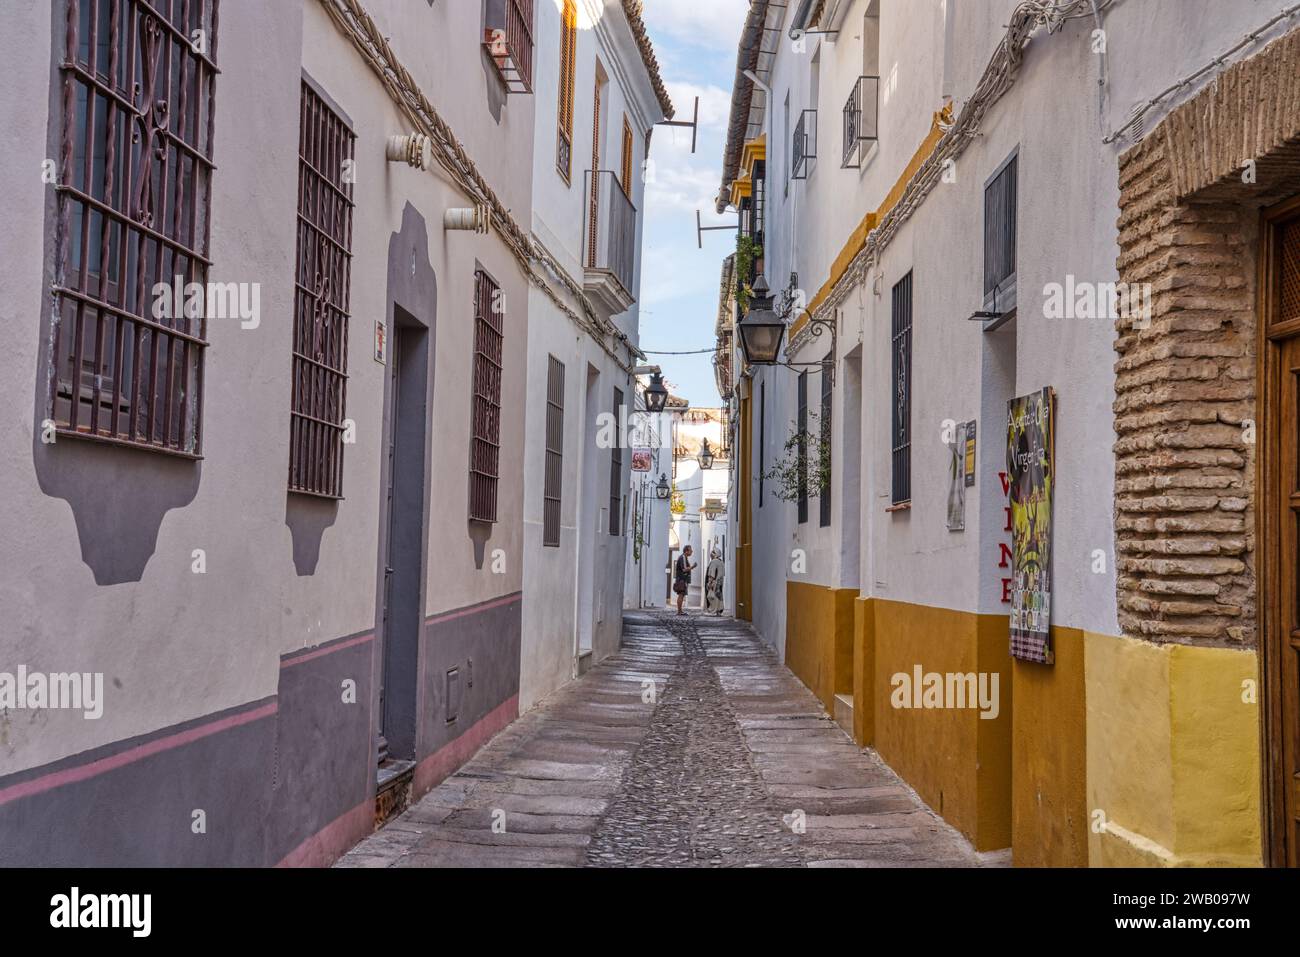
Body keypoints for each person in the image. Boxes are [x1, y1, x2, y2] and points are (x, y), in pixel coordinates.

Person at [673, 546, 696, 616]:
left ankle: (680, 610)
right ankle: (679, 611)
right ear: (686, 551)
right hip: (681, 580)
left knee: (681, 595)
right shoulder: (683, 557)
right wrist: (692, 567)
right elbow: (684, 569)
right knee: (681, 595)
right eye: (690, 550)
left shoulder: (684, 557)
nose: (692, 551)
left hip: (682, 579)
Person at [705, 549, 725, 615]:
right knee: (719, 596)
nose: (711, 554)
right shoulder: (721, 562)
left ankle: (712, 610)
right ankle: (719, 610)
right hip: (720, 581)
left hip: (715, 581)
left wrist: (710, 582)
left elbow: (712, 573)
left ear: (715, 554)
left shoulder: (714, 561)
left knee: (711, 596)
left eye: (712, 553)